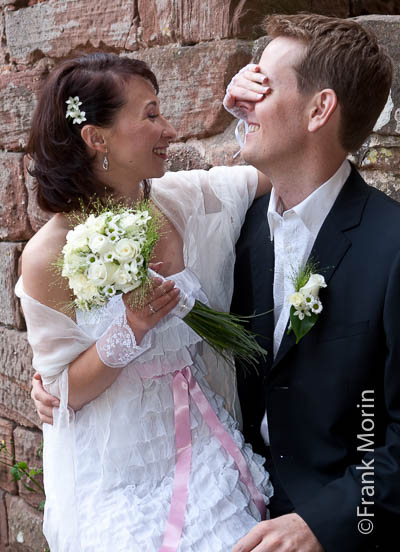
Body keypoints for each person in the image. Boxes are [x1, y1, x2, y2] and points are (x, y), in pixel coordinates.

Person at [18, 52, 273, 552]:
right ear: (97, 138)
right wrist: (130, 328)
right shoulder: (48, 254)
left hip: (202, 453)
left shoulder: (180, 200)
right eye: (151, 114)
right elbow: (63, 392)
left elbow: (271, 176)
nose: (170, 130)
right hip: (118, 472)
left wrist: (252, 113)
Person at [223, 14, 399, 551]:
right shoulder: (239, 229)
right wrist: (78, 376)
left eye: (264, 83)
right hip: (233, 508)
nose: (245, 97)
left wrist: (325, 524)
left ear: (320, 108)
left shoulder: (392, 245)